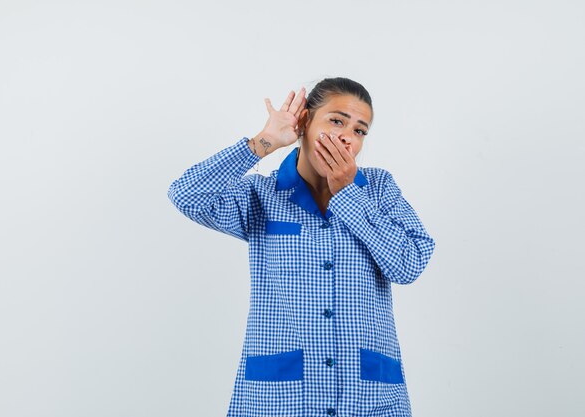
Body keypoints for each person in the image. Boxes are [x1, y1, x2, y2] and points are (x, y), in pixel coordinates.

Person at [167, 77, 436, 417]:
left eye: (359, 131)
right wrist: (263, 142)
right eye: (337, 120)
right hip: (281, 399)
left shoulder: (379, 189)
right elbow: (186, 195)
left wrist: (348, 194)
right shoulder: (261, 196)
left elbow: (410, 263)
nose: (346, 138)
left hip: (369, 398)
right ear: (304, 122)